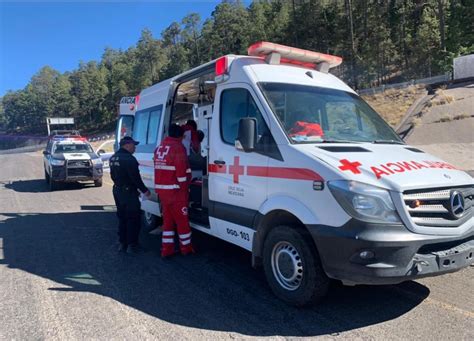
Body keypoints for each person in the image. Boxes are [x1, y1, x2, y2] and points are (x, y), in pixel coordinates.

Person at [154, 124, 194, 258]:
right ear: (179, 135)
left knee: (168, 222)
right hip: (176, 192)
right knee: (182, 222)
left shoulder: (159, 147)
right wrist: (186, 189)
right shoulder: (178, 148)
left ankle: (167, 249)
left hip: (163, 192)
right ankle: (186, 248)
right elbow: (181, 173)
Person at [110, 136, 151, 254]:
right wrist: (145, 191)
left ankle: (122, 243)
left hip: (117, 190)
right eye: (134, 145)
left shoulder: (114, 157)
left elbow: (113, 176)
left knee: (122, 217)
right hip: (128, 192)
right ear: (127, 145)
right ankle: (132, 245)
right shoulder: (129, 159)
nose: (135, 147)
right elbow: (136, 178)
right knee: (133, 218)